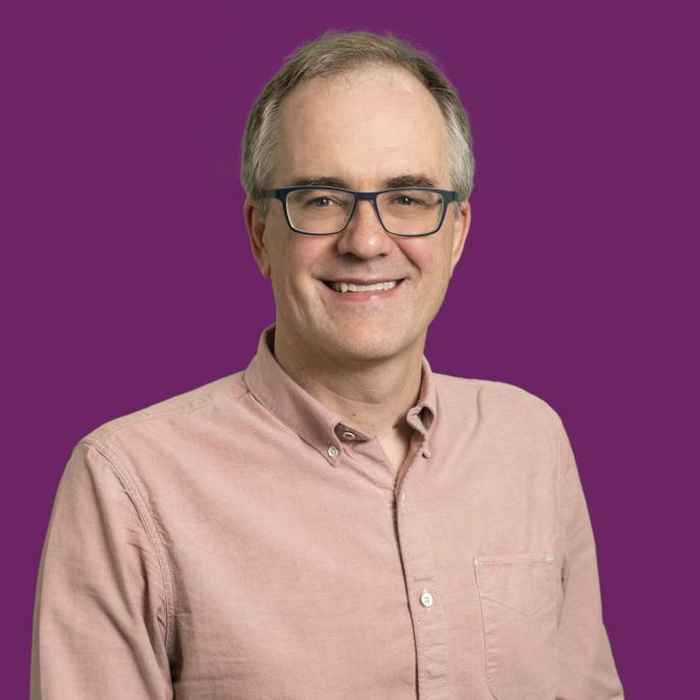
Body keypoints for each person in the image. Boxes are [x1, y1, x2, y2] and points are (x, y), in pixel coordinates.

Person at [31, 30, 624, 699]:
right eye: (321, 199)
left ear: (457, 232)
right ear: (261, 234)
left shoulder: (530, 441)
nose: (366, 242)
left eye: (407, 198)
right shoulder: (129, 484)